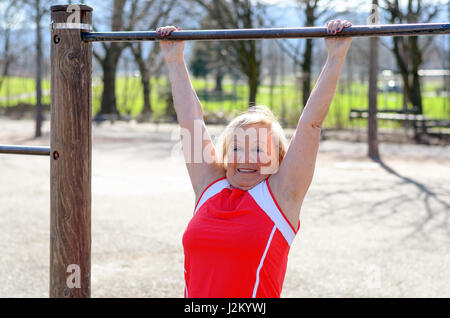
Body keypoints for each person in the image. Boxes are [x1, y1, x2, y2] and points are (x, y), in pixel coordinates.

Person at [157, 19, 353, 298]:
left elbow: (311, 124)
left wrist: (335, 56)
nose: (246, 158)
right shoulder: (210, 186)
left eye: (259, 150)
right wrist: (174, 59)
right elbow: (191, 120)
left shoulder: (281, 197)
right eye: (236, 148)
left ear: (279, 158)